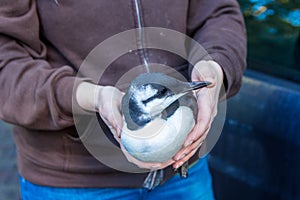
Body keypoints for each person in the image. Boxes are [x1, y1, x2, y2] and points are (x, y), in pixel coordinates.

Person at [0, 0, 246, 199]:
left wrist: (215, 64)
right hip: (73, 182)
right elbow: (6, 67)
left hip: (184, 171)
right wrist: (89, 97)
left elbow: (218, 13)